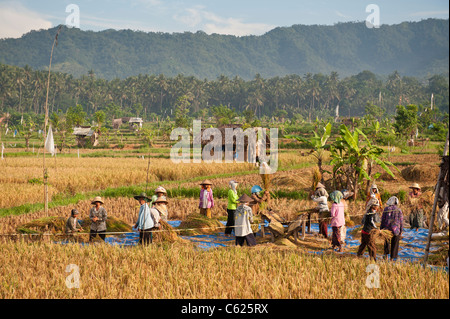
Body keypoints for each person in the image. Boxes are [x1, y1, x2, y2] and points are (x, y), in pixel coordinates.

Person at [380, 196, 404, 261]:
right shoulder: (399, 210)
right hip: (396, 230)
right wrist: (401, 230)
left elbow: (383, 220)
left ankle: (386, 256)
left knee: (387, 243)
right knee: (395, 243)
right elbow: (401, 221)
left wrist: (381, 229)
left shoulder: (386, 209)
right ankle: (392, 258)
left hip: (387, 229)